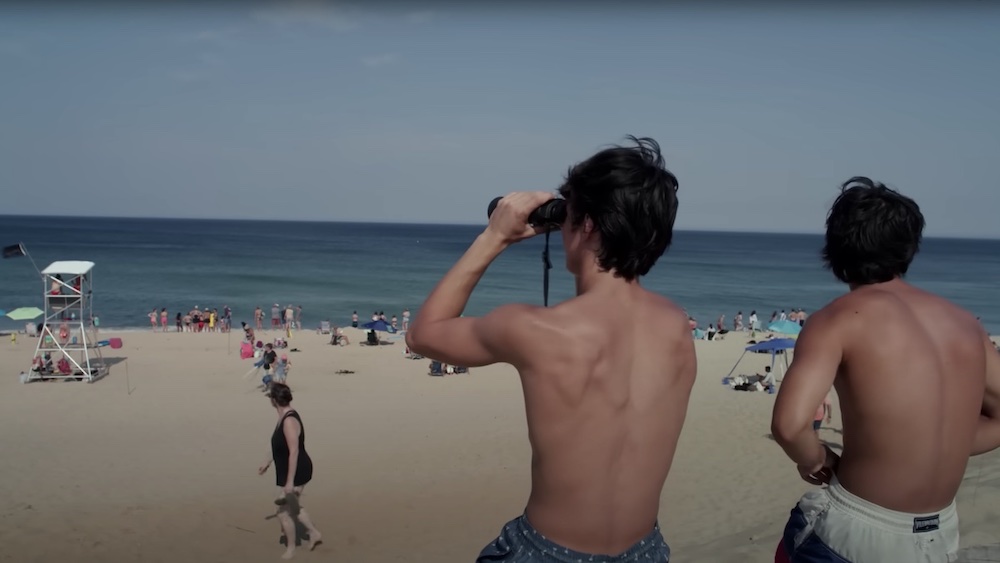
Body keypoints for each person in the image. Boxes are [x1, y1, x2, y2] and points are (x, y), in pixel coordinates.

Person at [405, 136, 694, 562]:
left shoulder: (538, 330)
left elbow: (423, 335)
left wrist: (495, 237)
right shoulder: (677, 326)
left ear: (587, 224)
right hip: (645, 551)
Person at [770, 177, 1000, 563]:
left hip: (859, 527)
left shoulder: (837, 320)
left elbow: (789, 426)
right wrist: (946, 443)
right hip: (940, 533)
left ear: (835, 249)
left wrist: (813, 459)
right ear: (908, 249)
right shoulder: (965, 324)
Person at [258, 383, 322, 559]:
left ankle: (291, 548)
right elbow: (278, 443)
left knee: (283, 512)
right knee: (292, 507)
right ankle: (314, 533)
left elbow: (293, 451)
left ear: (273, 400)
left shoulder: (288, 421)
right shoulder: (283, 415)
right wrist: (267, 461)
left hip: (297, 471)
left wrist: (289, 482)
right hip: (291, 469)